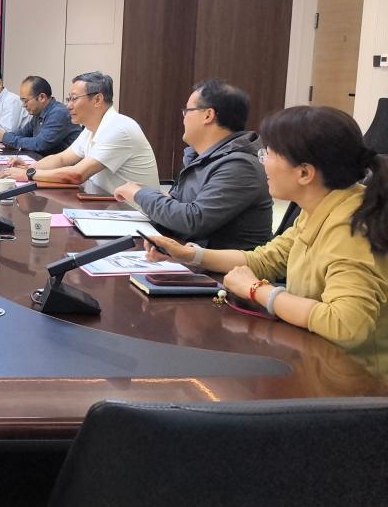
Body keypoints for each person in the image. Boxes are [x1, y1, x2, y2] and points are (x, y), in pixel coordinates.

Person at [145, 106, 388, 375]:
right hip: (316, 361)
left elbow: (347, 325)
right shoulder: (321, 207)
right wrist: (190, 255)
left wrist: (256, 290)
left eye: (269, 154)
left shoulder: (350, 229)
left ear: (304, 173)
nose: (263, 162)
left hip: (358, 382)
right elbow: (266, 259)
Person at [113, 79, 272, 250]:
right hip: (188, 253)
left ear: (208, 115)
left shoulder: (240, 166)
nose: (183, 118)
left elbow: (193, 220)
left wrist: (139, 194)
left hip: (220, 264)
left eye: (187, 111)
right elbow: (177, 203)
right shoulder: (200, 156)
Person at [0, 71, 160, 193]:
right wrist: (29, 167)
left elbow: (77, 175)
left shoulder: (118, 128)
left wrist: (29, 173)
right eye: (69, 99)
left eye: (74, 99)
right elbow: (62, 158)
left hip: (134, 215)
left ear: (97, 99)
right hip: (105, 204)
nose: (69, 106)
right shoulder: (92, 128)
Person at [0, 75, 80, 156]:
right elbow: (22, 133)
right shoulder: (38, 113)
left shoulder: (58, 113)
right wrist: (4, 137)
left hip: (67, 166)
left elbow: (39, 145)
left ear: (42, 97)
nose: (23, 105)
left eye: (26, 101)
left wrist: (5, 137)